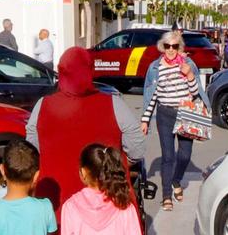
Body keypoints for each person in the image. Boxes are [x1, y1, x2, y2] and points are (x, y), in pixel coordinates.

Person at [27, 48, 148, 209]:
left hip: (55, 202)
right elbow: (137, 147)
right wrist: (119, 162)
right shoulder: (113, 104)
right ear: (89, 71)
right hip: (106, 198)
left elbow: (32, 150)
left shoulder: (43, 106)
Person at [139, 30, 207, 212]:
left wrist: (190, 75)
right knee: (168, 157)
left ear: (179, 47)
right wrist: (145, 120)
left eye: (174, 46)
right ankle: (166, 196)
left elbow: (195, 93)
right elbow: (152, 96)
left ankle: (176, 179)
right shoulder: (155, 67)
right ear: (162, 47)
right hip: (164, 114)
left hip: (185, 112)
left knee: (185, 155)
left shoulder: (187, 64)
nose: (170, 50)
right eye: (167, 46)